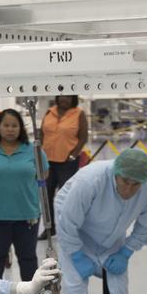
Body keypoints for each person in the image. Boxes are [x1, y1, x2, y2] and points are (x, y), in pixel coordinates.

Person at [54, 148, 147, 294]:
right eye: (125, 182)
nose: (128, 190)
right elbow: (67, 221)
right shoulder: (90, 180)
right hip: (76, 233)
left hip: (113, 237)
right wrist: (76, 254)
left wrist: (126, 252)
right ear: (115, 174)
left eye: (135, 184)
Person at [0, 109, 48, 285]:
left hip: (27, 215)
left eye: (14, 125)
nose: (10, 129)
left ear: (21, 128)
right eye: (6, 125)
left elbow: (43, 174)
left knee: (28, 259)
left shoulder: (33, 150)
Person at [40, 95, 88, 239]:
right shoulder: (50, 112)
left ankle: (68, 229)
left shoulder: (79, 114)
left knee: (66, 198)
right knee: (46, 196)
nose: (64, 99)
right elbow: (42, 134)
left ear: (73, 98)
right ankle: (49, 229)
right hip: (47, 162)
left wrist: (73, 155)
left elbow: (83, 138)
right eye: (62, 96)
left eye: (68, 96)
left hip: (67, 162)